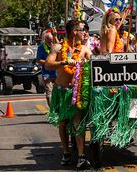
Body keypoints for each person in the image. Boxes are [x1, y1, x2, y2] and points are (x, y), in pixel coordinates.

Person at [45, 20, 92, 169]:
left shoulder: (84, 49)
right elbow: (47, 64)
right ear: (74, 31)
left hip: (78, 92)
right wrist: (64, 62)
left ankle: (81, 156)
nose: (84, 32)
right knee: (63, 123)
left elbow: (94, 64)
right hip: (62, 91)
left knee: (79, 123)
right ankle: (66, 152)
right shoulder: (58, 47)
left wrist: (88, 62)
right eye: (82, 29)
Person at [36, 29, 57, 106]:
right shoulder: (41, 47)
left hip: (56, 72)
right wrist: (48, 62)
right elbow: (38, 60)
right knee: (49, 91)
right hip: (47, 73)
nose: (50, 43)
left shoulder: (54, 46)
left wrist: (55, 35)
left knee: (58, 91)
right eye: (49, 41)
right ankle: (52, 109)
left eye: (51, 41)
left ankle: (57, 107)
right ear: (46, 39)